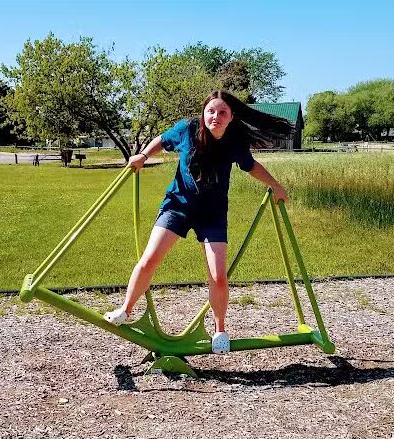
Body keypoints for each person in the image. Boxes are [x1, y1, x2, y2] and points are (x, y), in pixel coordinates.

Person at [104, 89, 293, 354]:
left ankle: (220, 329)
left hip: (212, 214)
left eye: (222, 112)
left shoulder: (234, 140)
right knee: (149, 259)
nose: (216, 116)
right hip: (178, 206)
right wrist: (144, 157)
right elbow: (161, 140)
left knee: (218, 276)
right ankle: (126, 309)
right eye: (211, 111)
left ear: (231, 117)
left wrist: (275, 185)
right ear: (204, 113)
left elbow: (250, 165)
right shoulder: (188, 129)